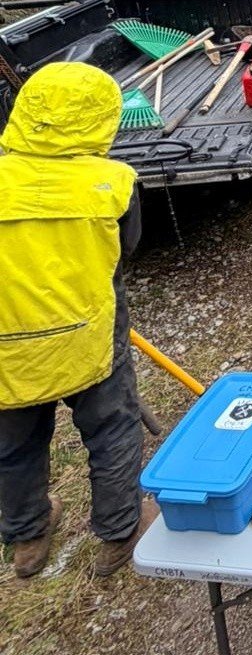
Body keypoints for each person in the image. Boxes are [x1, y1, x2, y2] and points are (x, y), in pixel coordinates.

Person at [0, 63, 154, 579]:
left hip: (7, 343)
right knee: (111, 430)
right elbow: (125, 250)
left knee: (13, 445)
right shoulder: (113, 184)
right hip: (87, 330)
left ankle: (28, 536)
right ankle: (118, 532)